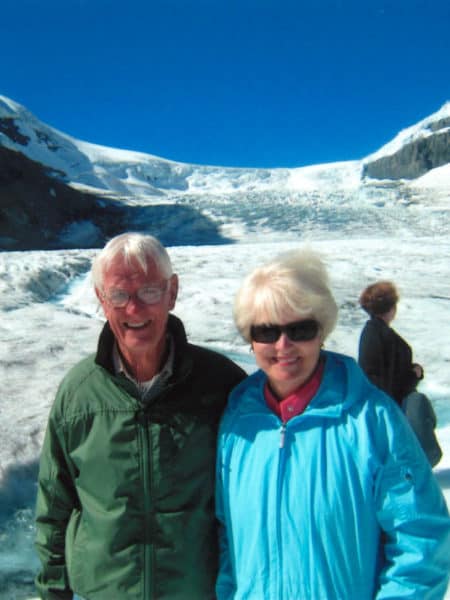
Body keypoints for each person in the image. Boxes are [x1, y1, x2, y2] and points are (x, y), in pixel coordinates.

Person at [215, 248, 450, 600]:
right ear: (250, 339)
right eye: (266, 331)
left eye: (301, 329)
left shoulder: (372, 420)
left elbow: (421, 540)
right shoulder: (238, 423)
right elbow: (227, 537)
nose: (284, 345)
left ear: (321, 331)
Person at [35, 232, 246, 600]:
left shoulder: (221, 384)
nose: (134, 309)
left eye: (149, 291)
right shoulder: (79, 393)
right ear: (102, 299)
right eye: (119, 295)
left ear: (172, 292)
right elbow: (54, 509)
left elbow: (252, 503)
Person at [358, 280, 442, 466]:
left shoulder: (374, 332)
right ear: (391, 307)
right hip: (390, 405)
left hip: (385, 404)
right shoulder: (378, 334)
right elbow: (389, 380)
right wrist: (414, 374)